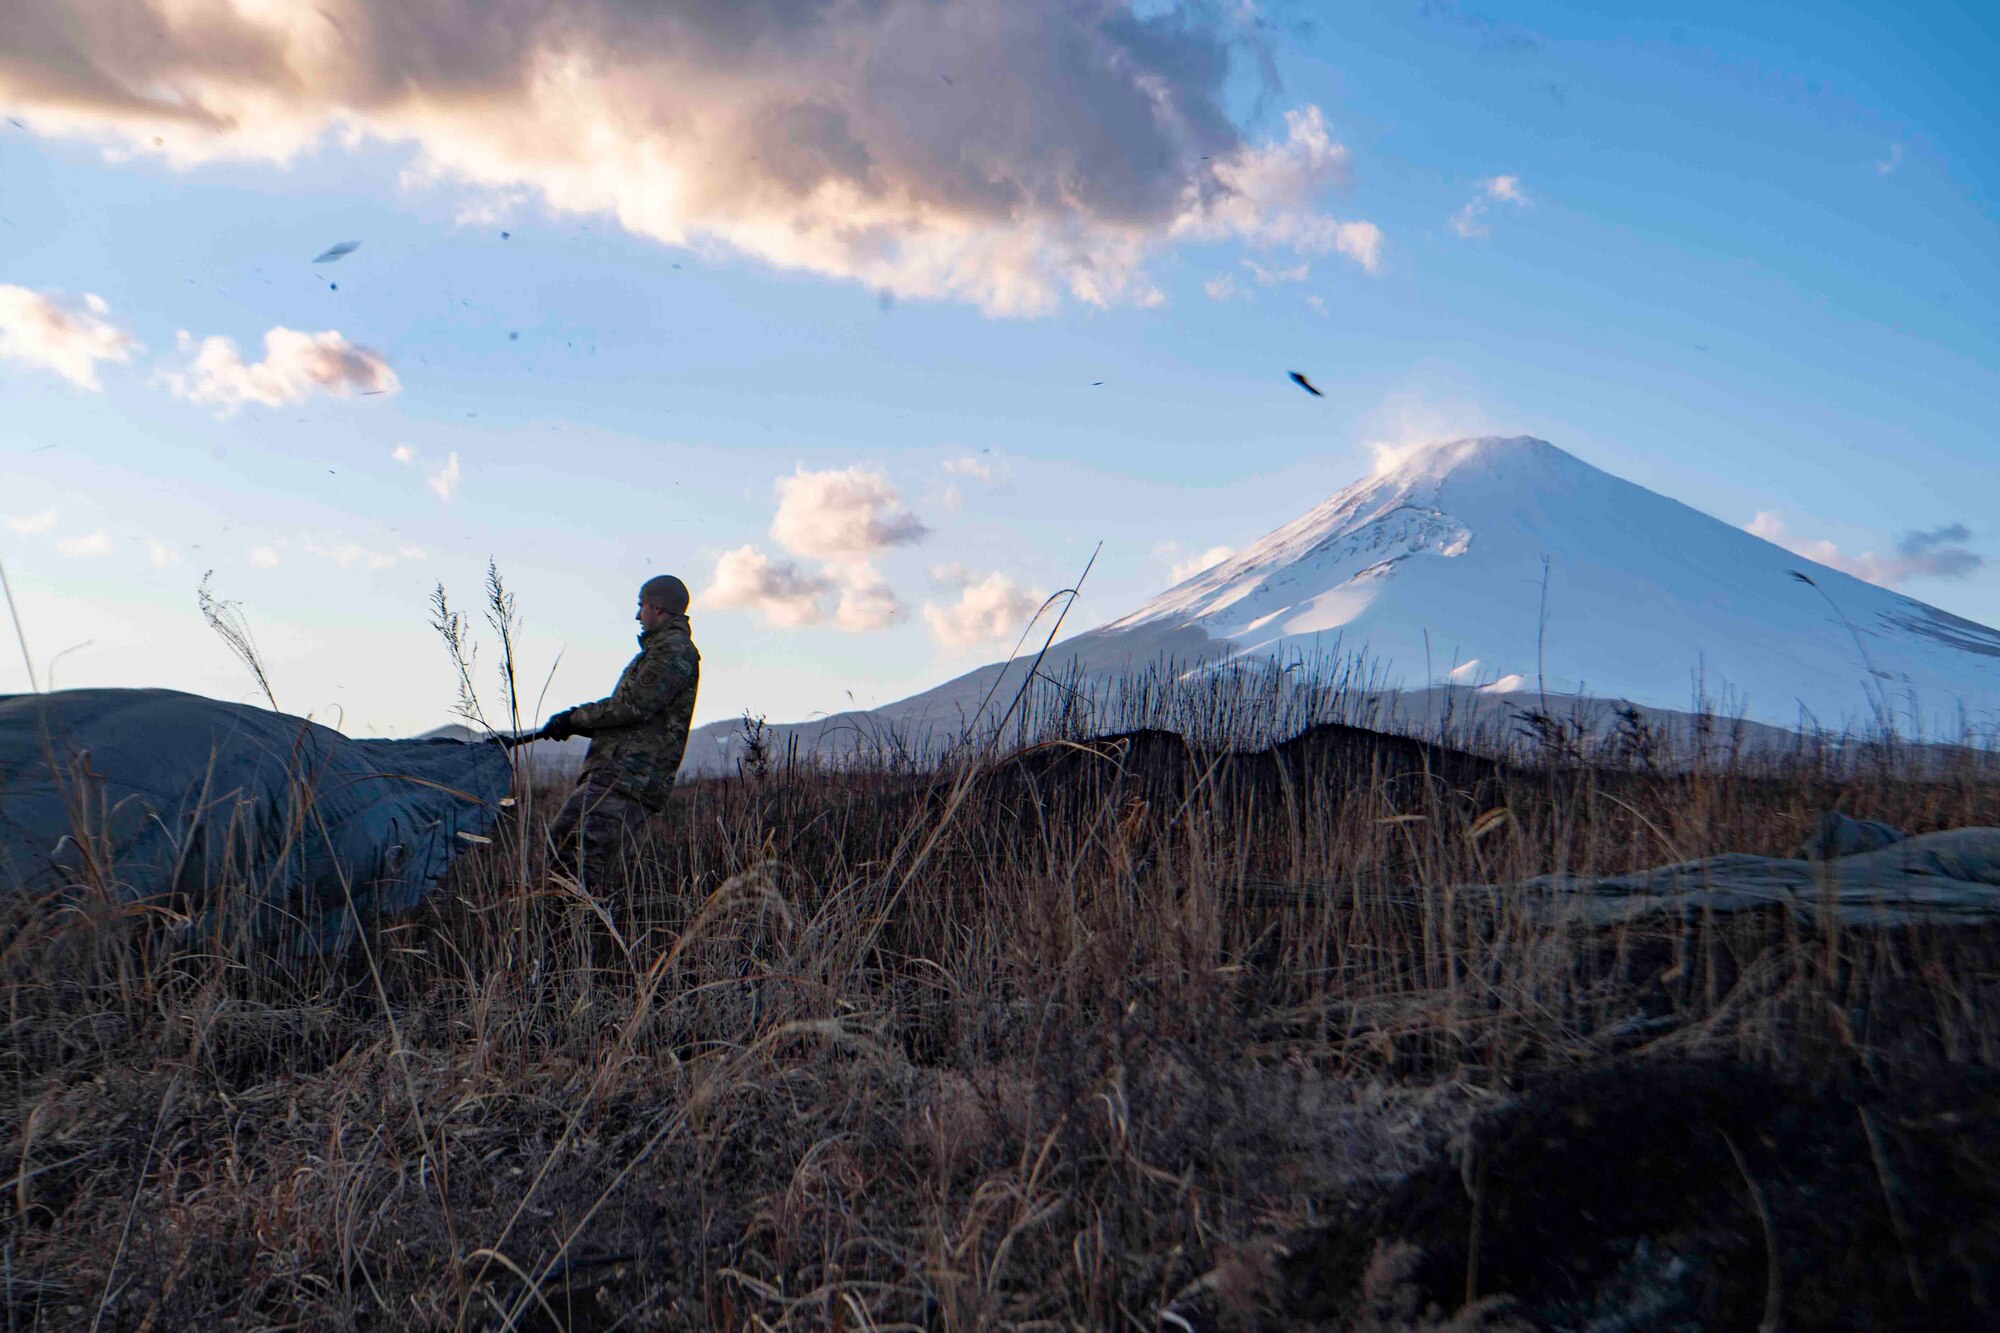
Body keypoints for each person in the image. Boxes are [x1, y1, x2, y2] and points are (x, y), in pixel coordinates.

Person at [541, 574, 701, 896]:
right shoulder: (659, 652)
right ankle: (567, 932)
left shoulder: (672, 653)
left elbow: (631, 707)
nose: (637, 615)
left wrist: (574, 718)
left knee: (582, 859)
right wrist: (575, 723)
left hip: (629, 780)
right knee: (564, 842)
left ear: (656, 608)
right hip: (616, 775)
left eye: (641, 606)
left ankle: (582, 934)